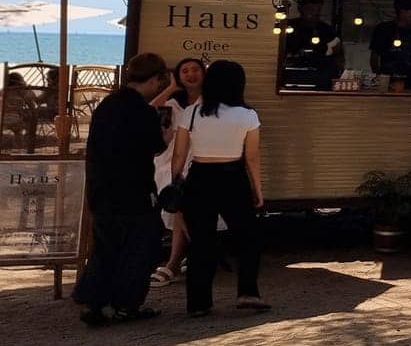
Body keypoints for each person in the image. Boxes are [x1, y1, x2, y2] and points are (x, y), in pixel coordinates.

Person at [72, 53, 169, 326]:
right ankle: (126, 303)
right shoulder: (143, 112)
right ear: (152, 80)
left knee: (106, 246)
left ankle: (94, 300)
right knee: (140, 246)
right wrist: (166, 136)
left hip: (101, 186)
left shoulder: (106, 105)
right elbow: (154, 147)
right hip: (133, 189)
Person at [171, 60, 269, 317]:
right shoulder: (247, 115)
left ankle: (198, 303)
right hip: (233, 178)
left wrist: (176, 180)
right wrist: (258, 188)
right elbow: (252, 156)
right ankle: (248, 292)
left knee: (201, 242)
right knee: (248, 237)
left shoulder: (191, 112)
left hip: (199, 177)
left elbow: (179, 154)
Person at [150, 57, 206, 287]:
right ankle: (198, 251)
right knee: (179, 202)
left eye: (195, 70)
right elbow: (149, 110)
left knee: (181, 206)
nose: (191, 74)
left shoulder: (211, 103)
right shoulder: (172, 104)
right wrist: (171, 88)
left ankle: (174, 261)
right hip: (170, 161)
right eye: (185, 71)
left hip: (199, 158)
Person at [281, 0, 343, 85]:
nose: (311, 12)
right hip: (291, 74)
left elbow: (337, 54)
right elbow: (281, 51)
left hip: (320, 75)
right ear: (300, 8)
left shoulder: (326, 30)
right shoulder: (289, 27)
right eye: (308, 8)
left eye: (315, 9)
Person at [370, 0, 411, 88]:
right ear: (402, 11)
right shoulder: (384, 28)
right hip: (388, 80)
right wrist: (379, 79)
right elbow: (374, 56)